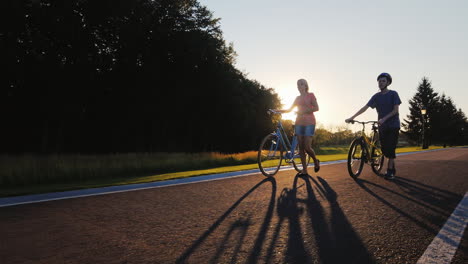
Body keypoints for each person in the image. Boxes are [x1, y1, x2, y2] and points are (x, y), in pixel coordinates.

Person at [345, 72, 402, 180]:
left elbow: (395, 110)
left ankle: (390, 171)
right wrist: (352, 117)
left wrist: (384, 119)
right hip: (382, 126)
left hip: (393, 125)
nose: (381, 83)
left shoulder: (393, 94)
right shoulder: (376, 96)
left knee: (390, 148)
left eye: (383, 81)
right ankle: (391, 165)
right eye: (379, 81)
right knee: (385, 150)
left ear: (388, 82)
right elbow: (365, 108)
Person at [276, 79, 320, 175]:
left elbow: (317, 108)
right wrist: (277, 110)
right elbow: (289, 109)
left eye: (301, 84)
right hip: (299, 123)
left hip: (309, 122)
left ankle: (316, 161)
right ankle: (304, 170)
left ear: (305, 86)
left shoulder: (311, 95)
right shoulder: (297, 98)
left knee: (307, 147)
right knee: (300, 148)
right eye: (298, 85)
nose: (299, 86)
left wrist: (303, 111)